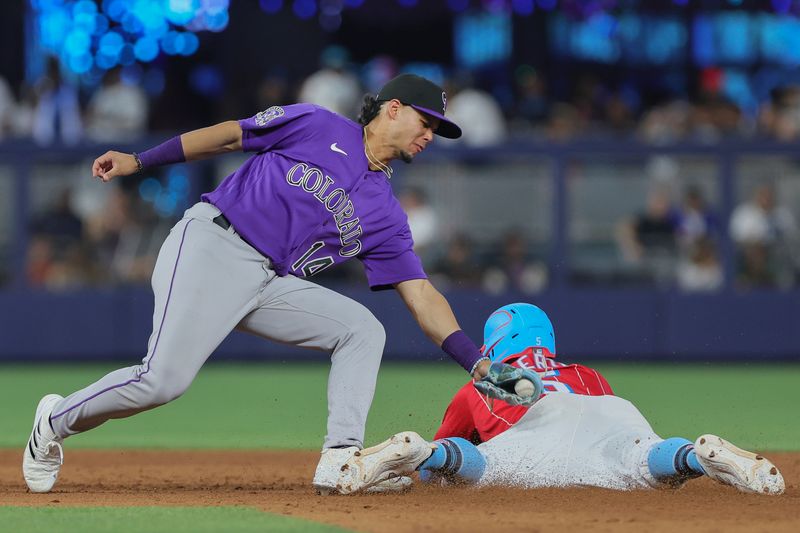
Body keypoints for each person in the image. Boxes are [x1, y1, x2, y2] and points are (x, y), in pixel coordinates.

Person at [23, 74, 505, 495]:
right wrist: (141, 161)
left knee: (362, 329)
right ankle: (53, 421)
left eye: (436, 130)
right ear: (392, 109)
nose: (430, 135)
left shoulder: (387, 214)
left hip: (268, 281)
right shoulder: (319, 124)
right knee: (162, 382)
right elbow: (231, 136)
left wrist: (475, 361)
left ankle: (340, 457)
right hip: (213, 242)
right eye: (426, 123)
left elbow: (420, 293)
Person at [331, 303, 785, 496]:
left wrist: (422, 469)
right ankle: (694, 455)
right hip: (612, 413)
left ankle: (415, 448)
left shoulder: (480, 385)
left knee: (473, 467)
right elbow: (607, 431)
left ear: (496, 342)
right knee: (642, 459)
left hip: (537, 428)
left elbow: (432, 482)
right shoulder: (585, 372)